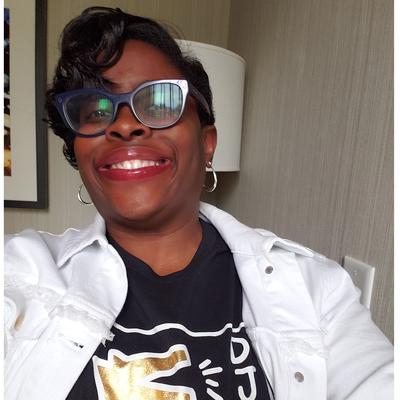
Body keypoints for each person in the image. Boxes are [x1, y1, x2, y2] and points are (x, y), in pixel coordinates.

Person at [4, 7, 393, 400]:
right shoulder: (19, 270)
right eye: (95, 110)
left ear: (207, 143)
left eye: (159, 103)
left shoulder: (315, 288)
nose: (124, 125)